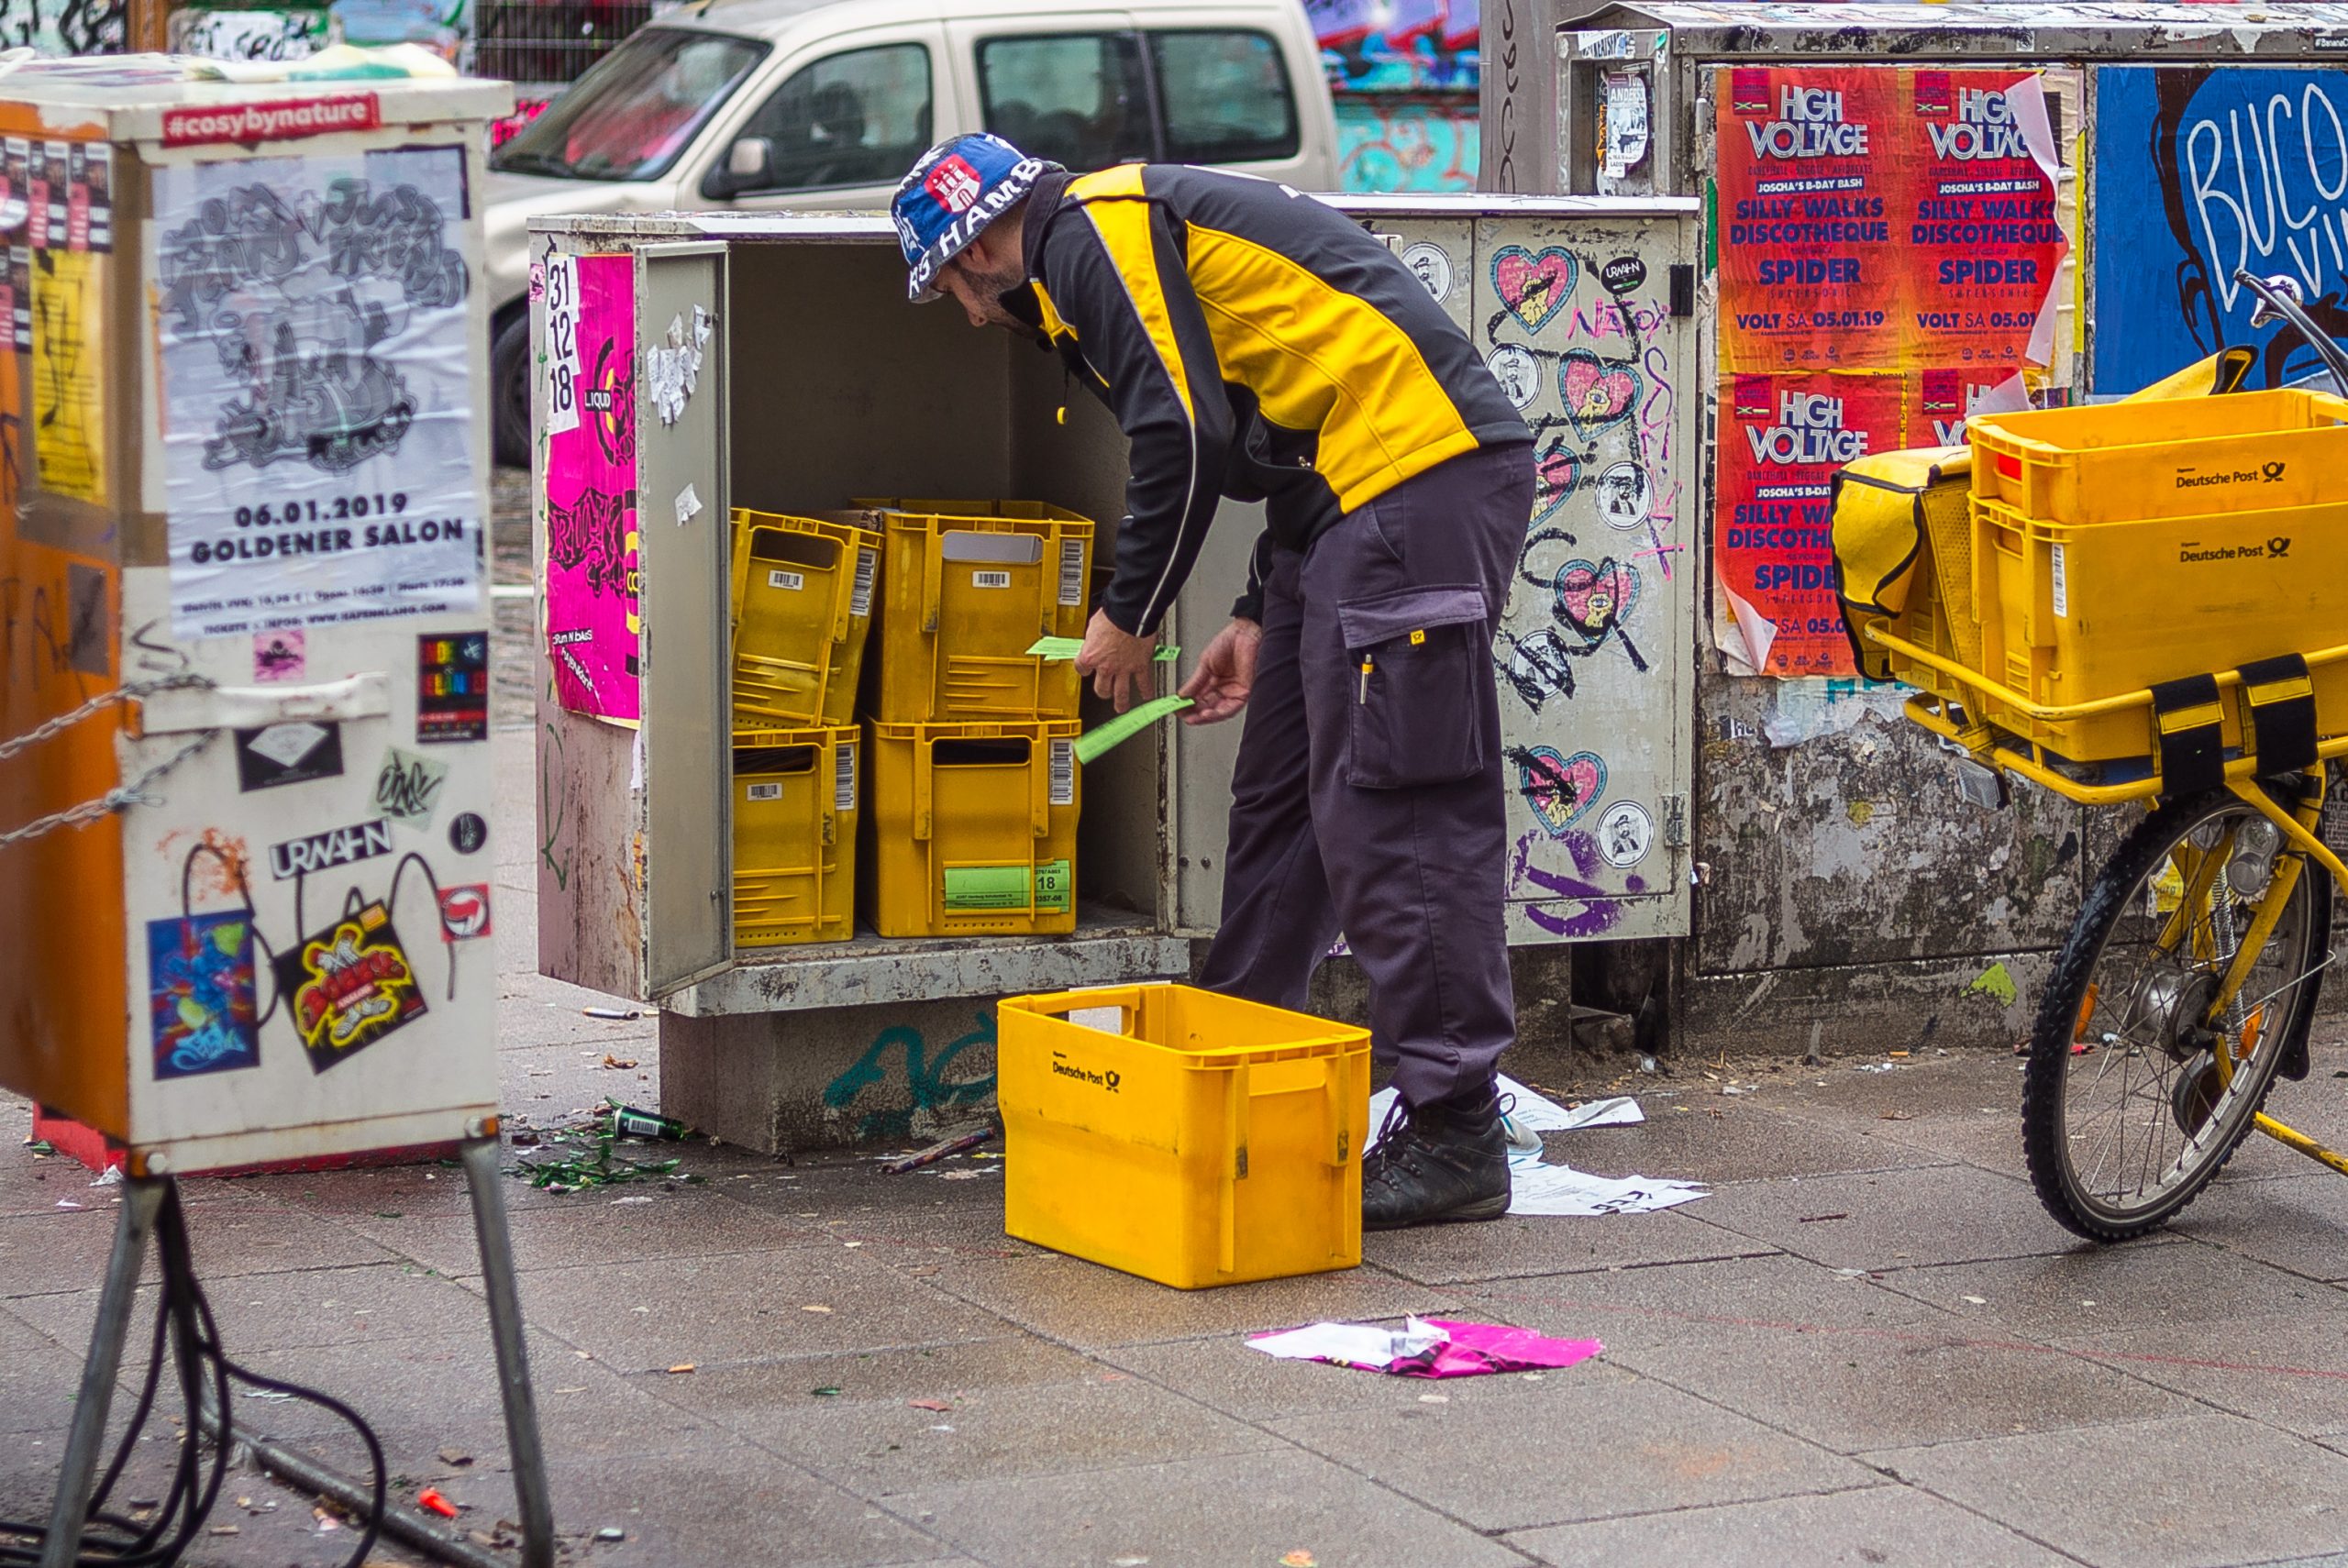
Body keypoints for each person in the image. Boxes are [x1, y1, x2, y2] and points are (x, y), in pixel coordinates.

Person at [891, 133, 1534, 1230]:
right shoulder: (1103, 244)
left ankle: (1455, 1127)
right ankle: (1233, 1060)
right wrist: (1255, 610)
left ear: (980, 246)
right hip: (1345, 499)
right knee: (1282, 798)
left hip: (1416, 483)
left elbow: (1183, 433)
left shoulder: (1089, 232)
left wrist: (1126, 615)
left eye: (951, 287)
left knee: (1398, 812)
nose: (968, 317)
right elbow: (1282, 423)